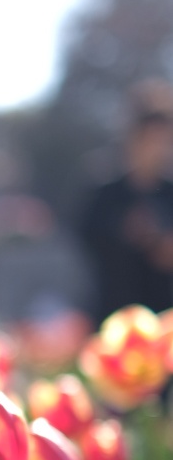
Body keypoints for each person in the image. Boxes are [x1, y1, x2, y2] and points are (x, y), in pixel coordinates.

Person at [80, 81, 173, 324]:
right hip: (112, 318)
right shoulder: (105, 195)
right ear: (134, 140)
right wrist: (126, 232)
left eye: (164, 142)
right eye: (152, 141)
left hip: (164, 321)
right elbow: (86, 239)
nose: (158, 150)